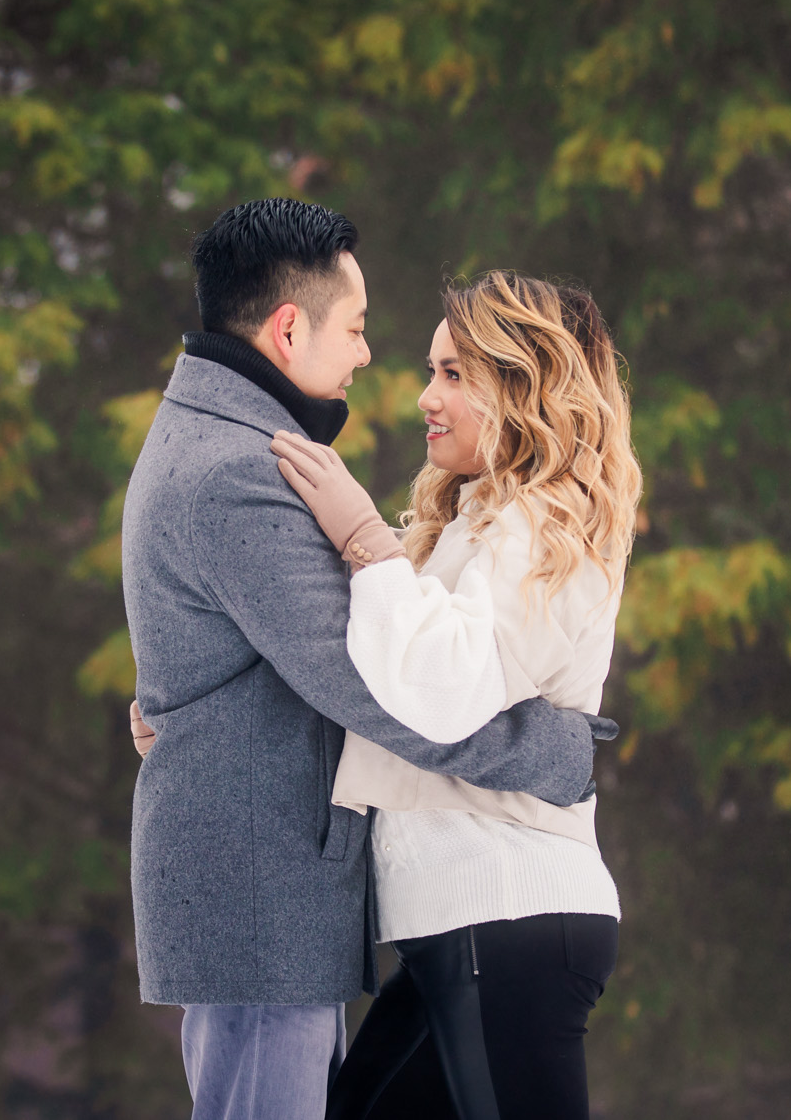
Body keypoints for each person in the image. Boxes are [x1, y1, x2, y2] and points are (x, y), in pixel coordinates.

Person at [121, 200, 613, 1120]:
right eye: (355, 328)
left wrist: (187, 706)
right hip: (270, 902)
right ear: (287, 326)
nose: (366, 357)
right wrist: (556, 754)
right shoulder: (244, 466)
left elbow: (386, 656)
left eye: (448, 372)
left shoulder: (221, 442)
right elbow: (381, 687)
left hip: (462, 911)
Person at [266, 270, 641, 1120]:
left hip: (511, 917)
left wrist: (367, 540)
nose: (426, 396)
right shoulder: (475, 518)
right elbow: (368, 677)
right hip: (461, 929)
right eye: (432, 369)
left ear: (524, 386)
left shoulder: (549, 523)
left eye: (455, 373)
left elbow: (443, 688)